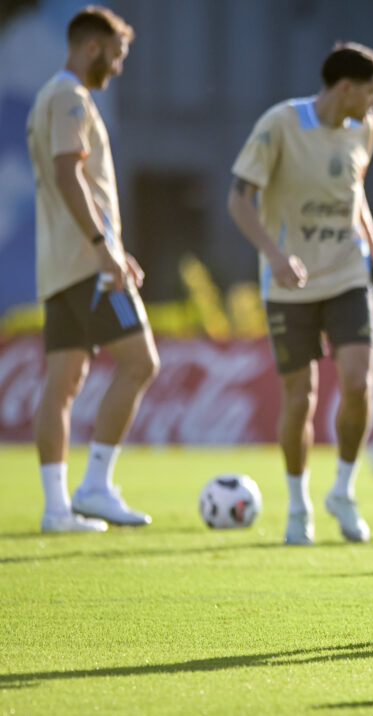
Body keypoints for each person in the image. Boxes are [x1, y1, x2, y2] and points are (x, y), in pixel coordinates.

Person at [227, 42, 373, 546]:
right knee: (300, 399)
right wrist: (274, 257)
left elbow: (355, 190)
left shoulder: (362, 128)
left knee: (358, 384)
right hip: (289, 285)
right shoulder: (280, 123)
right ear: (345, 88)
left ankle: (343, 491)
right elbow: (238, 198)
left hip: (347, 275)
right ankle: (298, 504)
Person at [26, 5, 159, 533]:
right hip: (88, 264)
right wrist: (106, 249)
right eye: (117, 55)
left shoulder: (48, 97)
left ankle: (58, 507)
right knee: (141, 362)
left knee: (62, 382)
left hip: (59, 264)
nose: (118, 67)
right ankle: (95, 485)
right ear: (92, 48)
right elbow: (68, 173)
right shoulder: (69, 97)